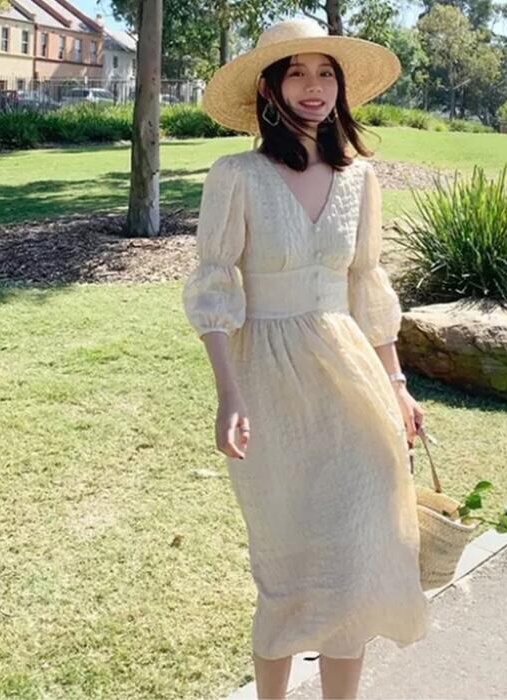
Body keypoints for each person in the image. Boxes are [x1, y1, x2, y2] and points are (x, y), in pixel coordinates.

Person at [182, 18, 429, 700]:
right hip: (269, 379)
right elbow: (213, 287)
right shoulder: (238, 176)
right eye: (297, 73)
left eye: (326, 73)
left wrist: (397, 384)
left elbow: (366, 286)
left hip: (353, 383)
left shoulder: (360, 179)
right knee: (286, 571)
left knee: (356, 559)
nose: (314, 87)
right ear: (269, 88)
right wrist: (228, 393)